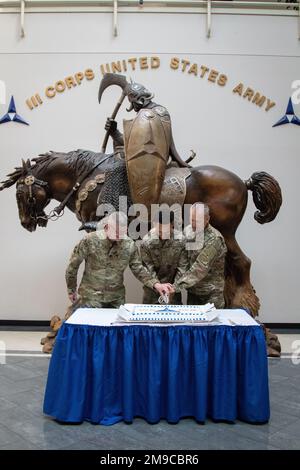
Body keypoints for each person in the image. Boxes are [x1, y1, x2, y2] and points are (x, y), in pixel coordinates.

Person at [65, 211, 170, 309]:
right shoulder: (90, 240)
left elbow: (138, 269)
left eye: (122, 233)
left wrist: (156, 284)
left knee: (117, 327)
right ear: (106, 227)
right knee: (93, 327)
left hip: (116, 298)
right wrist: (71, 289)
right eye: (116, 232)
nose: (119, 236)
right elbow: (73, 265)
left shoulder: (129, 245)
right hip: (91, 296)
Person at [174, 202, 227, 308]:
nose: (193, 224)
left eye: (197, 221)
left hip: (211, 295)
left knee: (212, 324)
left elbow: (200, 268)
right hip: (193, 292)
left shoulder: (215, 239)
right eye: (192, 220)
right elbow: (183, 260)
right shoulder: (188, 231)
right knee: (192, 324)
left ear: (207, 219)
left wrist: (176, 287)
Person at [140, 210, 188, 304]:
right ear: (154, 224)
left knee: (175, 318)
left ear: (172, 225)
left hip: (173, 292)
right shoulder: (146, 242)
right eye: (160, 231)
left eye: (166, 231)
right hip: (152, 292)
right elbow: (147, 269)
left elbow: (183, 268)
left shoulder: (181, 240)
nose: (162, 234)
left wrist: (174, 288)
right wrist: (157, 285)